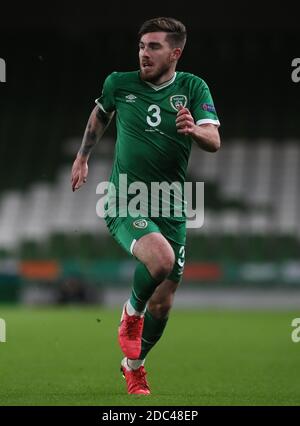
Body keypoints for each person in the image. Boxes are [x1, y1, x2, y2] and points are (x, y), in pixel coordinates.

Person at [71, 17, 221, 395]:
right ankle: (130, 313)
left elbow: (214, 139)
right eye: (141, 45)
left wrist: (193, 130)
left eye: (154, 46)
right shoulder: (118, 83)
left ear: (175, 53)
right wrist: (83, 157)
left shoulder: (192, 87)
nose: (143, 53)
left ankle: (133, 366)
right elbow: (101, 114)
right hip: (125, 198)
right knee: (161, 260)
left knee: (165, 303)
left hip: (171, 205)